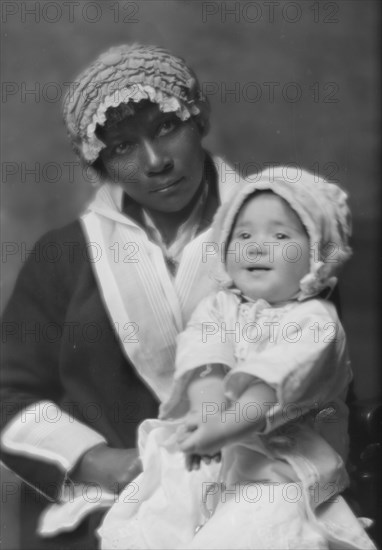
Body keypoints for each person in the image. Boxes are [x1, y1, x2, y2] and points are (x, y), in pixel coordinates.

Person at [0, 44, 243, 549]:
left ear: (198, 121)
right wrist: (91, 458)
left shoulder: (280, 234)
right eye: (122, 147)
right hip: (110, 513)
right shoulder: (64, 256)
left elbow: (326, 373)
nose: (155, 162)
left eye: (164, 129)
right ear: (101, 164)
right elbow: (6, 394)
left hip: (252, 496)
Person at [98, 169, 377, 549]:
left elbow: (266, 392)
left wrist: (220, 430)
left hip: (283, 466)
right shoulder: (219, 306)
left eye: (280, 236)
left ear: (318, 255)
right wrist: (207, 414)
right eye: (243, 235)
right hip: (219, 454)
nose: (256, 247)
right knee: (159, 516)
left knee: (251, 528)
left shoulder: (314, 323)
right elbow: (205, 361)